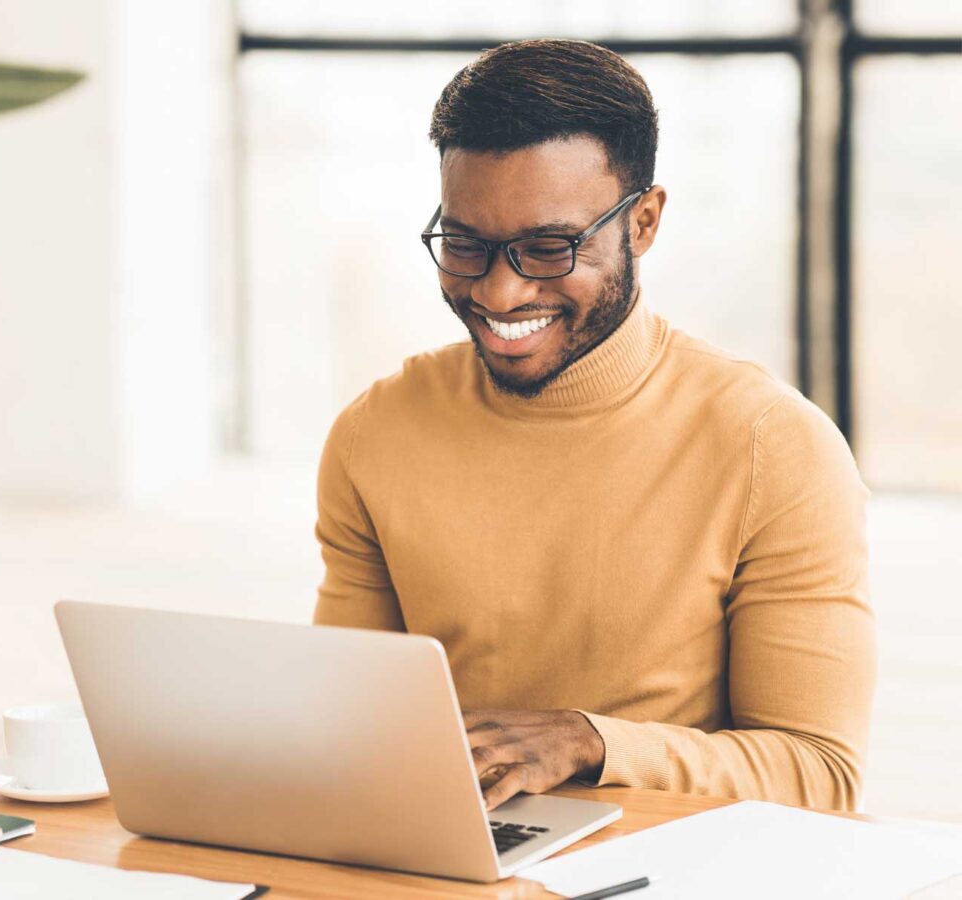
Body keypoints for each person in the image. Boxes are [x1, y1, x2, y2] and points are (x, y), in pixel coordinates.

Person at [312, 39, 875, 813]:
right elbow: (344, 722)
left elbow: (820, 774)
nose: (501, 293)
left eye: (548, 248)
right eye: (466, 245)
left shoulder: (772, 446)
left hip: (675, 867)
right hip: (444, 854)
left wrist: (591, 741)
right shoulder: (374, 434)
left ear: (642, 222)